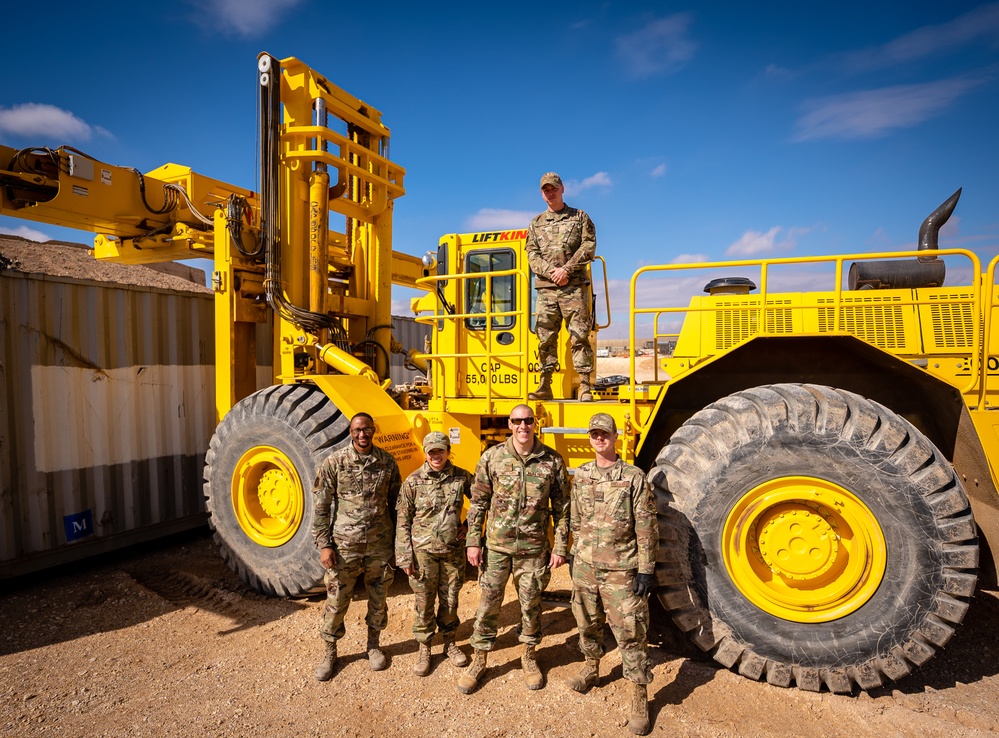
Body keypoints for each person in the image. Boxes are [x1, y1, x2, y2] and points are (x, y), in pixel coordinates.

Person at [456, 404, 571, 694]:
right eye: (517, 421)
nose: (523, 426)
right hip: (496, 547)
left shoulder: (551, 461)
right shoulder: (492, 458)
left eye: (528, 420)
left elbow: (562, 508)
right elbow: (479, 503)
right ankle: (480, 658)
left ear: (535, 423)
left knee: (531, 605)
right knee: (488, 603)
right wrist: (473, 541)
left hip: (533, 549)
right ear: (509, 423)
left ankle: (529, 656)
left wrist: (559, 546)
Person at [566, 412, 658, 735]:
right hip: (585, 566)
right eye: (594, 434)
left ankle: (638, 693)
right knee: (586, 622)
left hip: (621, 569)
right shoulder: (581, 475)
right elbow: (574, 517)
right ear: (589, 438)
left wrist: (646, 570)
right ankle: (591, 668)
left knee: (630, 631)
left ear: (615, 437)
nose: (599, 439)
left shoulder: (633, 477)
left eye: (604, 433)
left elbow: (646, 527)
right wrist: (573, 552)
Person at [312, 412, 401, 681]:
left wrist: (399, 543)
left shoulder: (386, 462)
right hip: (344, 546)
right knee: (337, 600)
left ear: (374, 430)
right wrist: (324, 544)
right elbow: (321, 506)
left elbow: (397, 505)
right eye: (357, 430)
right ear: (350, 432)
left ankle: (373, 646)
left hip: (380, 544)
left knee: (378, 598)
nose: (363, 435)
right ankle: (330, 652)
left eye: (367, 430)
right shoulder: (334, 462)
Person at [396, 431, 473, 676]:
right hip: (423, 554)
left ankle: (450, 642)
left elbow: (483, 501)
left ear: (448, 451)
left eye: (440, 450)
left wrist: (468, 527)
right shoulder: (413, 481)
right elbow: (403, 521)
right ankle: (425, 646)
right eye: (432, 452)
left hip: (452, 551)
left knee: (450, 599)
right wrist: (405, 556)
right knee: (424, 602)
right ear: (426, 453)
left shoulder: (461, 477)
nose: (436, 456)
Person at [525, 171, 597, 402]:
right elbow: (532, 254)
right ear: (542, 193)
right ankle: (545, 385)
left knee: (579, 335)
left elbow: (588, 246)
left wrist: (566, 270)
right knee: (545, 338)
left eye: (554, 187)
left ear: (562, 188)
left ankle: (585, 385)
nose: (550, 192)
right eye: (546, 189)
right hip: (546, 290)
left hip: (573, 287)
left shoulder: (580, 217)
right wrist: (552, 273)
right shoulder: (535, 224)